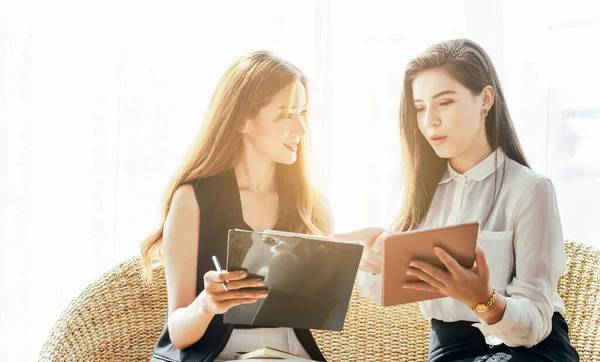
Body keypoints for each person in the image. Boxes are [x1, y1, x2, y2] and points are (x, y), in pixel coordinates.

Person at [333, 39, 579, 362]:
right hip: (451, 350)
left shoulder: (531, 191)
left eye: (444, 103)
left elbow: (535, 322)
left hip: (529, 351)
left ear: (485, 100)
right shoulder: (421, 194)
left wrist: (485, 301)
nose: (429, 121)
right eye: (420, 108)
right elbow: (386, 290)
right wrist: (368, 261)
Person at [140, 50, 331, 362]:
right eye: (285, 114)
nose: (300, 129)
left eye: (302, 113)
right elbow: (179, 333)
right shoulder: (192, 200)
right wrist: (207, 305)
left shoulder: (312, 206)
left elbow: (322, 311)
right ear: (243, 120)